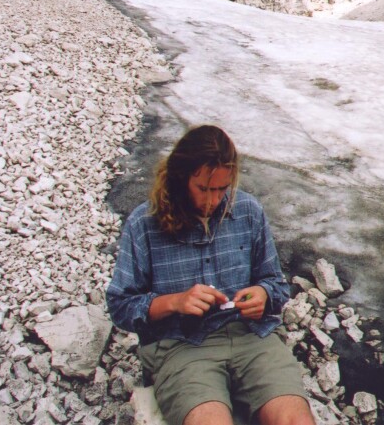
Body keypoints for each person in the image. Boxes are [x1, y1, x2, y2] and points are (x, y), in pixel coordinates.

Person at [106, 124, 314, 425]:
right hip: (182, 346)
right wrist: (175, 302)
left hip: (252, 338)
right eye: (203, 188)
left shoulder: (247, 210)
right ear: (181, 177)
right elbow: (120, 306)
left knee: (295, 420)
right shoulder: (144, 223)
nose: (212, 200)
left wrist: (264, 295)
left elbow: (276, 285)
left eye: (221, 189)